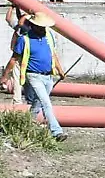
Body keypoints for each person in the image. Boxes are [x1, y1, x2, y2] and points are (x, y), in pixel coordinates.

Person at [11, 9, 66, 140]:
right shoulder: (25, 39)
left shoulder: (49, 37)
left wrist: (60, 70)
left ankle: (26, 124)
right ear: (34, 26)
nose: (43, 29)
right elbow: (14, 58)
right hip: (33, 76)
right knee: (46, 103)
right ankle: (56, 132)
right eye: (41, 27)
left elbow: (53, 54)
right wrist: (5, 75)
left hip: (48, 76)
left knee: (37, 103)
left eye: (44, 27)